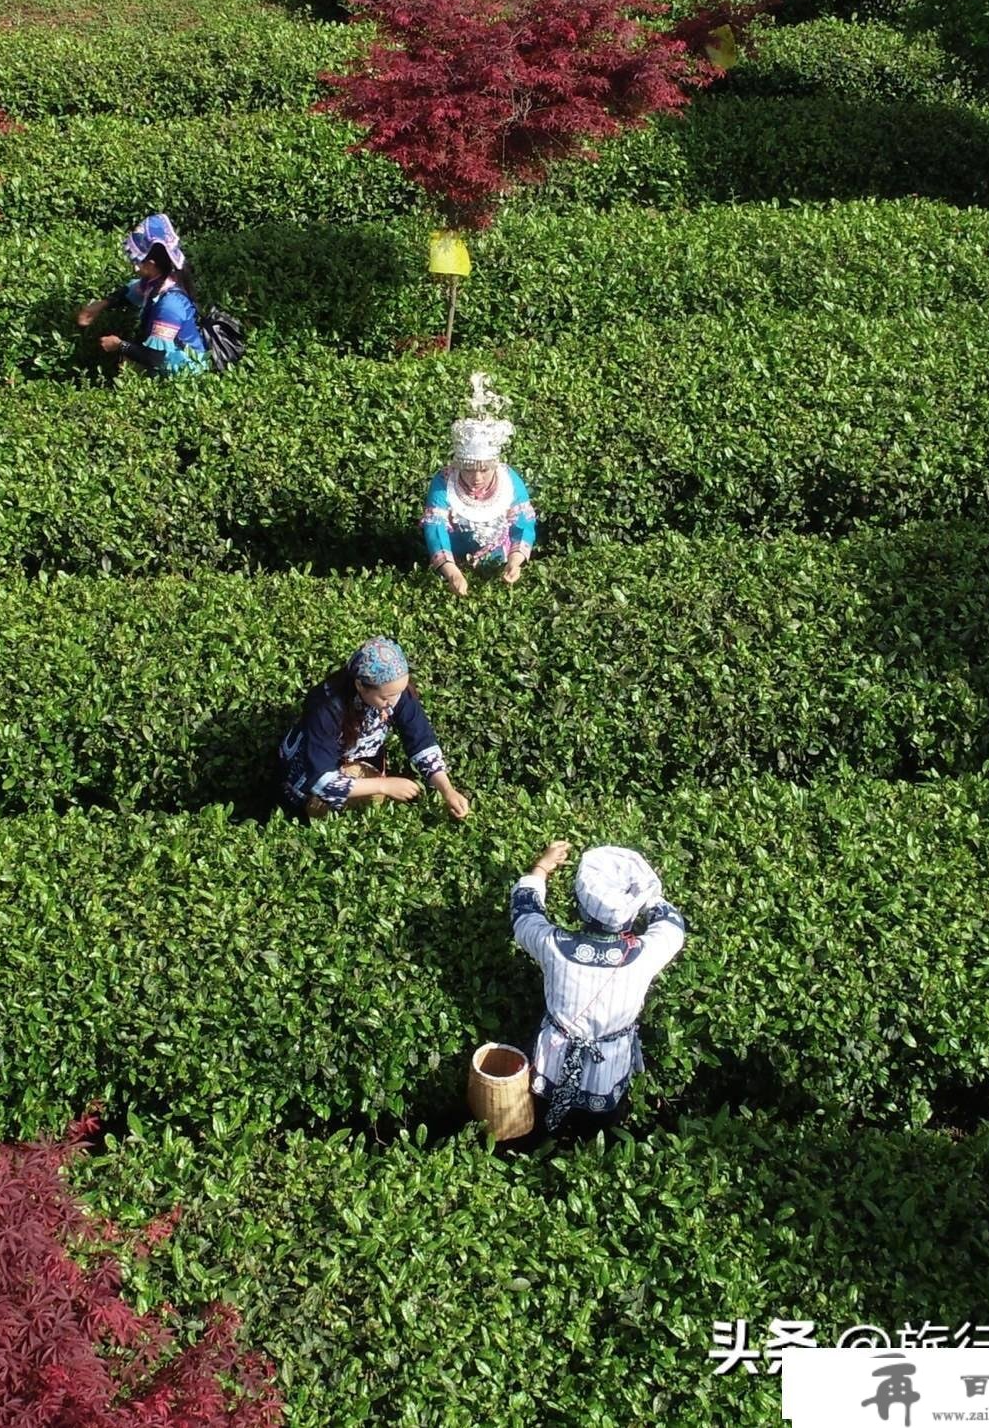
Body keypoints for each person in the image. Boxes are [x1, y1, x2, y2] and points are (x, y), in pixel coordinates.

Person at [509, 841, 688, 1134]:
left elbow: (524, 913)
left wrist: (542, 867)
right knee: (596, 1134)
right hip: (608, 1073)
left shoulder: (554, 945)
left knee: (539, 1122)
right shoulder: (645, 954)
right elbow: (672, 924)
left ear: (579, 903)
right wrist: (646, 894)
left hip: (551, 1066)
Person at [277, 636, 471, 820]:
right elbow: (321, 779)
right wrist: (384, 786)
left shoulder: (395, 692)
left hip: (355, 761)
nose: (394, 702)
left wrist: (447, 790)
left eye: (399, 693)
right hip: (310, 773)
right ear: (361, 686)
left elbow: (420, 741)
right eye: (386, 697)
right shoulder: (326, 707)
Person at [422, 372, 536, 595]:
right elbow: (435, 528)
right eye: (469, 470)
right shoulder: (443, 482)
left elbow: (524, 524)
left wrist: (515, 561)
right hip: (452, 564)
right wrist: (452, 572)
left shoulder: (510, 480)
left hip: (499, 561)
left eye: (484, 470)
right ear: (458, 466)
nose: (477, 478)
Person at [75, 213, 209, 377]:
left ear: (151, 265)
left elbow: (155, 358)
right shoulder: (156, 281)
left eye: (138, 262)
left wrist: (120, 345)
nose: (135, 268)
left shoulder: (170, 305)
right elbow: (129, 292)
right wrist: (101, 305)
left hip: (184, 372)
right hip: (164, 360)